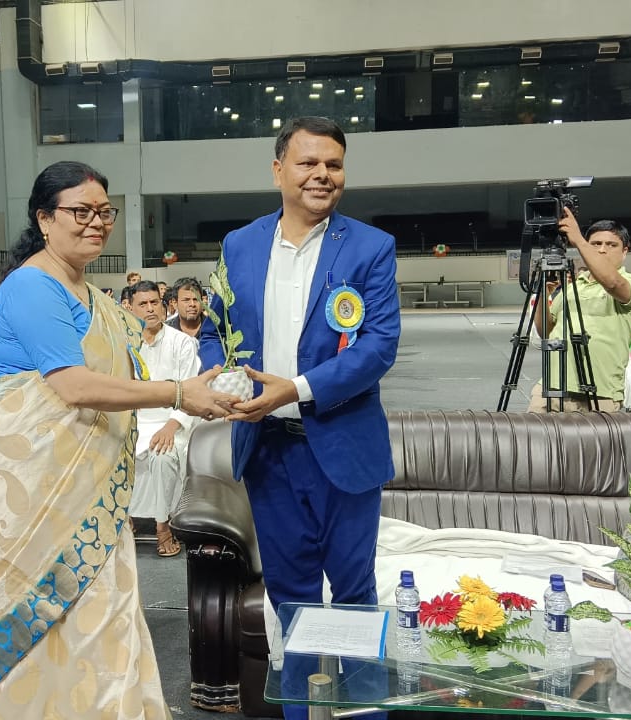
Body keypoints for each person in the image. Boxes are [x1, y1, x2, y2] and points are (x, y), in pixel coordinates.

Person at [0, 160, 234, 719]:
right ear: (44, 218)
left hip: (91, 491)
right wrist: (178, 395)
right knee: (47, 619)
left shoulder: (89, 293)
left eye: (105, 212)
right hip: (38, 492)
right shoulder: (33, 286)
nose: (97, 222)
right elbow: (75, 386)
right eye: (81, 211)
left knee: (101, 615)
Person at [197, 117, 399, 720]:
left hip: (343, 446)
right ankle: (304, 713)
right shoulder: (240, 245)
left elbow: (378, 346)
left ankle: (364, 714)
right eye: (308, 163)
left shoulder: (369, 247)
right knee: (291, 598)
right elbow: (213, 332)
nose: (322, 175)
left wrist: (298, 389)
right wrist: (223, 381)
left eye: (333, 164)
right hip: (268, 451)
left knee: (355, 594)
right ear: (278, 169)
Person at [529, 215, 631, 412]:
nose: (602, 250)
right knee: (533, 433)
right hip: (552, 386)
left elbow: (613, 284)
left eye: (611, 245)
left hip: (600, 392)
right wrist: (543, 293)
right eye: (596, 244)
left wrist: (579, 240)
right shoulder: (572, 287)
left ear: (625, 251)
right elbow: (546, 333)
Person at [127, 281, 201, 557]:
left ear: (163, 305)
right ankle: (124, 518)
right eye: (143, 304)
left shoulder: (182, 343)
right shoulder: (126, 344)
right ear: (130, 308)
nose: (150, 309)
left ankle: (162, 526)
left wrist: (171, 427)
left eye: (154, 302)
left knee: (162, 455)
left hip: (173, 421)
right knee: (107, 450)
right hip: (134, 422)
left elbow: (190, 392)